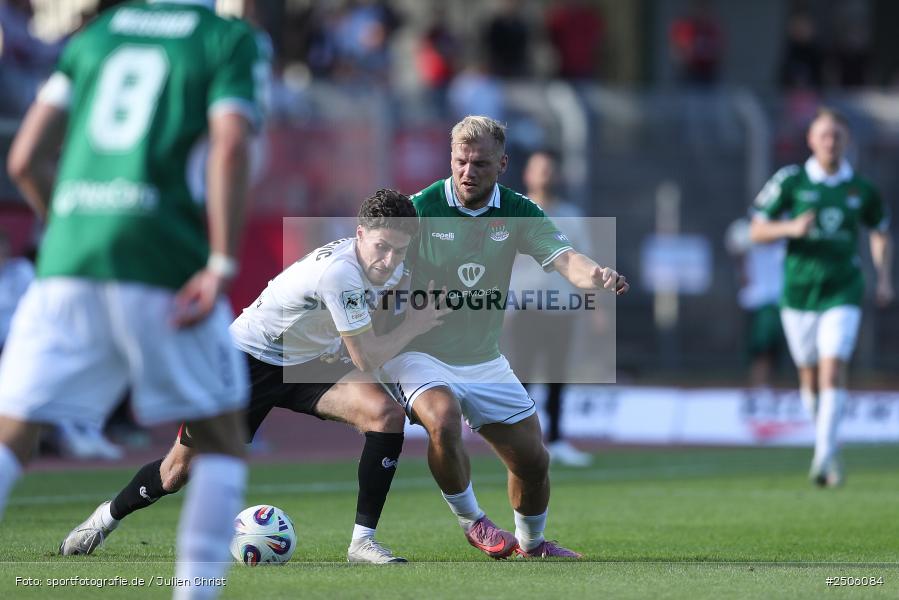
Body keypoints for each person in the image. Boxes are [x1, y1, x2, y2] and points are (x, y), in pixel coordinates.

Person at [0, 2, 261, 598]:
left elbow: (24, 160)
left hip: (68, 257)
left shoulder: (95, 35)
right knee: (220, 437)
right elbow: (230, 147)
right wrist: (221, 262)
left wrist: (70, 229)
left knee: (12, 435)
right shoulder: (227, 39)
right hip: (161, 256)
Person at [60, 190, 446, 564]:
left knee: (385, 416)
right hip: (246, 361)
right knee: (176, 472)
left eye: (399, 250)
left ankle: (363, 543)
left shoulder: (389, 262)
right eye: (382, 247)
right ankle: (104, 518)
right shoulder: (340, 274)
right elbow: (366, 357)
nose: (389, 259)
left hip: (306, 361)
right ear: (360, 234)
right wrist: (414, 324)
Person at [381, 116, 629, 559]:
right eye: (460, 161)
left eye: (479, 163)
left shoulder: (518, 210)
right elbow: (372, 257)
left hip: (482, 359)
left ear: (502, 164)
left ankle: (533, 546)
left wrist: (595, 275)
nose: (467, 171)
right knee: (442, 419)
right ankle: (472, 520)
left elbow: (564, 257)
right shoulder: (420, 208)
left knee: (534, 461)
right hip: (420, 351)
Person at [750, 107, 893, 488]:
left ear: (847, 141)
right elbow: (755, 230)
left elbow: (880, 230)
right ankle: (828, 445)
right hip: (798, 293)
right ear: (811, 140)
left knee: (833, 369)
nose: (830, 142)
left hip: (843, 288)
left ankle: (821, 457)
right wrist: (791, 227)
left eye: (837, 136)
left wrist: (883, 277)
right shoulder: (791, 181)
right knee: (809, 379)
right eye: (823, 135)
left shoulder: (860, 189)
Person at [508, 150, 593, 467]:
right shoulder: (514, 213)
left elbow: (586, 263)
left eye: (549, 169)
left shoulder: (571, 216)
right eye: (538, 169)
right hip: (526, 307)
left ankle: (556, 439)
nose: (544, 175)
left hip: (562, 309)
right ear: (528, 175)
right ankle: (520, 440)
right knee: (523, 376)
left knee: (558, 376)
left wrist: (596, 309)